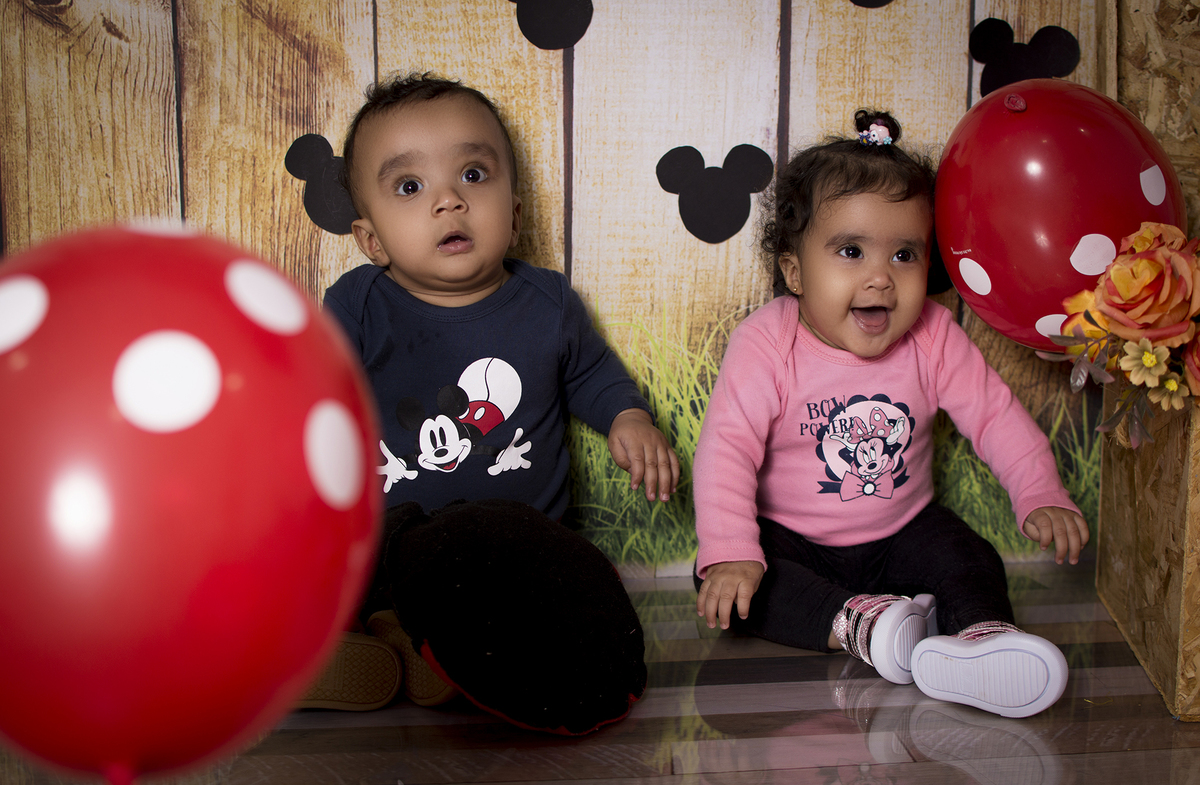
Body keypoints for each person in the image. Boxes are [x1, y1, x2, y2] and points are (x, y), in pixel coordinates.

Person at [691, 109, 1089, 719]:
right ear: (794, 270)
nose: (881, 277)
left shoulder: (933, 335)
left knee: (968, 555)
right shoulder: (767, 342)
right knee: (735, 583)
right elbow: (726, 448)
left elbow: (994, 416)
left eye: (905, 254)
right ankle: (865, 628)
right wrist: (730, 550)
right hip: (792, 539)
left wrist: (1041, 492)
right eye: (851, 251)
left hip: (903, 531)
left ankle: (983, 640)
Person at [307, 72, 679, 710]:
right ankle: (347, 650)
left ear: (514, 208)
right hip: (390, 544)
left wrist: (628, 416)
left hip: (513, 552)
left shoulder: (547, 304)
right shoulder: (359, 306)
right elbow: (308, 393)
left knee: (549, 601)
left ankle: (425, 651)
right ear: (370, 239)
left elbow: (592, 374)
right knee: (327, 570)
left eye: (473, 176)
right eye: (410, 186)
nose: (449, 200)